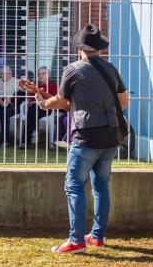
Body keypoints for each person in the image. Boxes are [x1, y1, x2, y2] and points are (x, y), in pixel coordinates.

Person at [35, 24, 129, 253]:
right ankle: (96, 236)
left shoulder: (73, 69)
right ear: (100, 49)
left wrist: (42, 102)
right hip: (111, 136)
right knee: (100, 186)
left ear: (80, 48)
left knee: (74, 186)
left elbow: (60, 99)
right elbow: (123, 102)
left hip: (85, 136)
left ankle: (76, 240)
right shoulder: (111, 69)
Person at [19, 66, 58, 149]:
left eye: (43, 73)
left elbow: (54, 99)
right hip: (34, 108)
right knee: (32, 110)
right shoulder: (35, 85)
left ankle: (25, 141)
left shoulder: (53, 86)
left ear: (48, 75)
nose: (41, 76)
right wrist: (23, 88)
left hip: (47, 108)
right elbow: (28, 97)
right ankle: (33, 133)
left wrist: (40, 101)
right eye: (39, 74)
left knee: (32, 110)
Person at [0, 66, 24, 148]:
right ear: (0, 75)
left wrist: (11, 100)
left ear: (11, 74)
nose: (5, 75)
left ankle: (5, 141)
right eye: (3, 73)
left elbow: (22, 96)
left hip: (12, 106)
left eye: (8, 73)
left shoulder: (17, 82)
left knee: (4, 113)